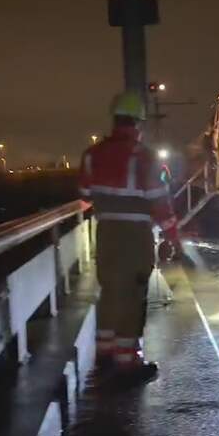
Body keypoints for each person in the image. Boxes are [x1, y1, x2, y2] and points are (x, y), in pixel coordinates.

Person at [79, 91, 181, 384]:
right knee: (133, 296)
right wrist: (174, 238)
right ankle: (128, 363)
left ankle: (105, 354)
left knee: (110, 291)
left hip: (106, 232)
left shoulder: (92, 155)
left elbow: (84, 196)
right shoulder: (145, 158)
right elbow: (161, 204)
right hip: (135, 236)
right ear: (139, 123)